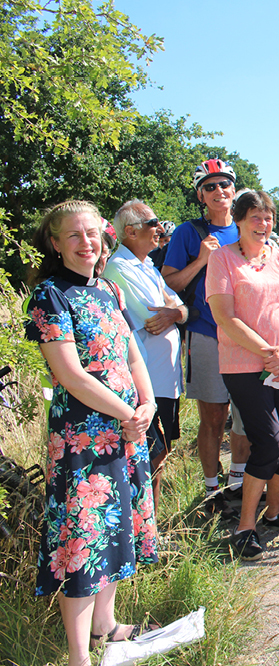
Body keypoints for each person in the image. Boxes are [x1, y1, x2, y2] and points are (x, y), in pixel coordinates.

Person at [26, 200, 159, 666]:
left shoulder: (107, 290)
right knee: (82, 538)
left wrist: (147, 404)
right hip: (83, 438)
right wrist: (129, 413)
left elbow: (132, 354)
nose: (87, 243)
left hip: (126, 429)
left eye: (92, 233)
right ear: (55, 244)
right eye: (74, 235)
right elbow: (70, 374)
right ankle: (80, 656)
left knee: (117, 526)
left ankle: (108, 626)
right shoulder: (50, 295)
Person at [205, 190, 279, 561]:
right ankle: (245, 526)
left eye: (268, 217)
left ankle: (274, 513)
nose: (263, 224)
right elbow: (224, 315)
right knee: (269, 445)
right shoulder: (222, 259)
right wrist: (269, 353)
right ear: (238, 220)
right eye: (255, 217)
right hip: (244, 365)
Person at [161, 159, 250, 513]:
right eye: (210, 187)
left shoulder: (247, 228)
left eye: (224, 185)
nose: (219, 192)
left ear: (234, 190)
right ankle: (212, 491)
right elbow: (170, 281)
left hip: (246, 339)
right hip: (207, 335)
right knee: (213, 418)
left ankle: (238, 482)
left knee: (245, 417)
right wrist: (201, 260)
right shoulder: (188, 232)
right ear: (201, 195)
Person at [103, 200, 187, 517]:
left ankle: (150, 524)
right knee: (149, 454)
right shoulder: (118, 270)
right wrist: (174, 312)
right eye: (153, 223)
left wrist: (175, 312)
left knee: (161, 453)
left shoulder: (147, 266)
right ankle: (140, 526)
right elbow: (153, 317)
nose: (160, 229)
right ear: (131, 231)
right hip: (145, 383)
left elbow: (180, 309)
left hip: (165, 380)